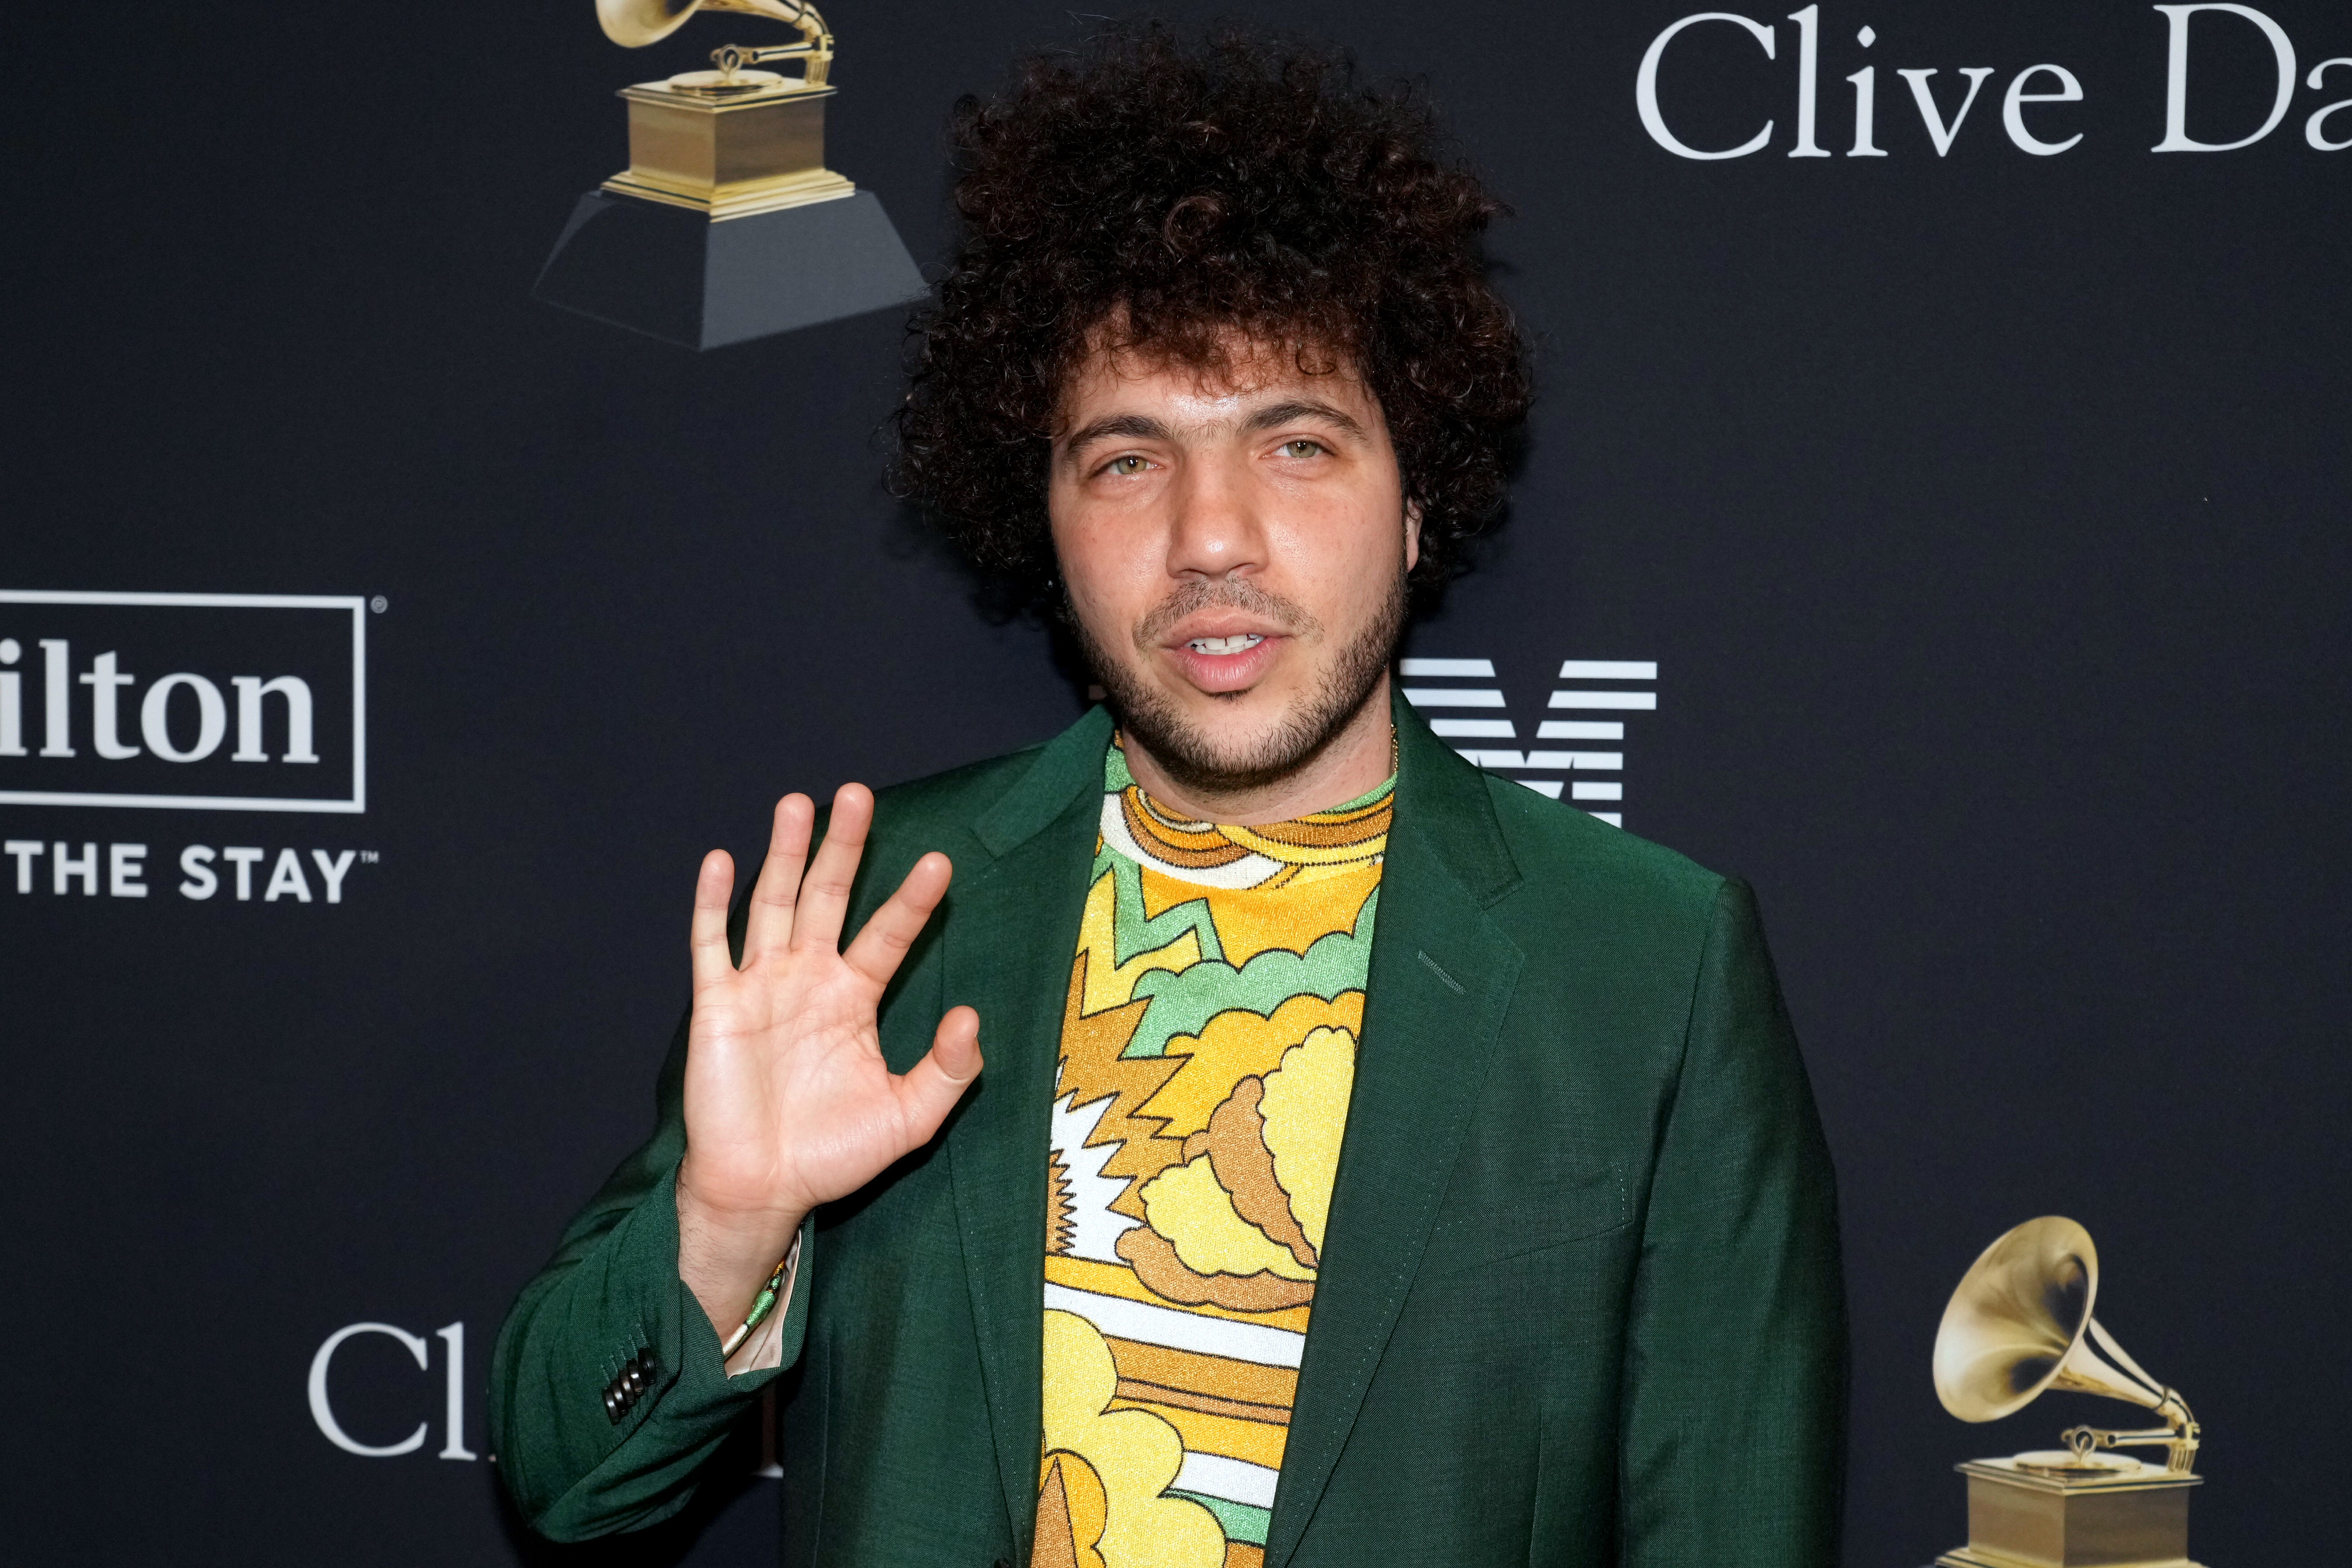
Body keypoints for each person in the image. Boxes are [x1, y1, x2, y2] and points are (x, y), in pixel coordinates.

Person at [490, 25, 1845, 1568]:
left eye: (1298, 442)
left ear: (1416, 507)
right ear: (1047, 521)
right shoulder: (880, 917)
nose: (1214, 537)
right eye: (1129, 460)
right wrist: (731, 1226)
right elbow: (563, 1472)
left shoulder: (1650, 967)